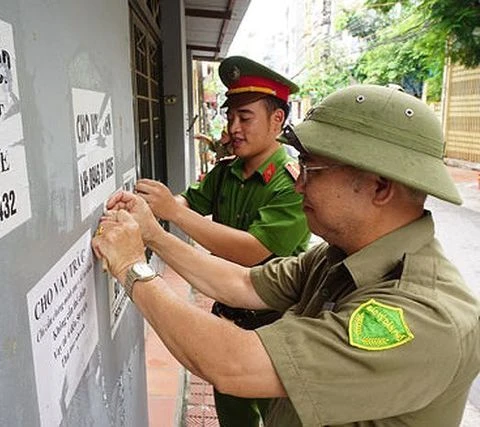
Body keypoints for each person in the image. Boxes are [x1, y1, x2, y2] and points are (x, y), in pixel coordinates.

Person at [92, 84, 480, 426]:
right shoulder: (340, 257)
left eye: (312, 170)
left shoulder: (424, 318)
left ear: (379, 188)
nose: (298, 186)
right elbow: (242, 282)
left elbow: (233, 364)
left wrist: (131, 267)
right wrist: (153, 235)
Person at [135, 56, 311, 425]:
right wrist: (149, 210)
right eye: (230, 117)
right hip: (228, 318)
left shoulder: (291, 182)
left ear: (277, 120)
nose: (233, 128)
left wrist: (174, 213)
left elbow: (251, 250)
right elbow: (189, 200)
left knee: (280, 418)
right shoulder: (227, 171)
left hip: (275, 328)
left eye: (245, 118)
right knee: (233, 415)